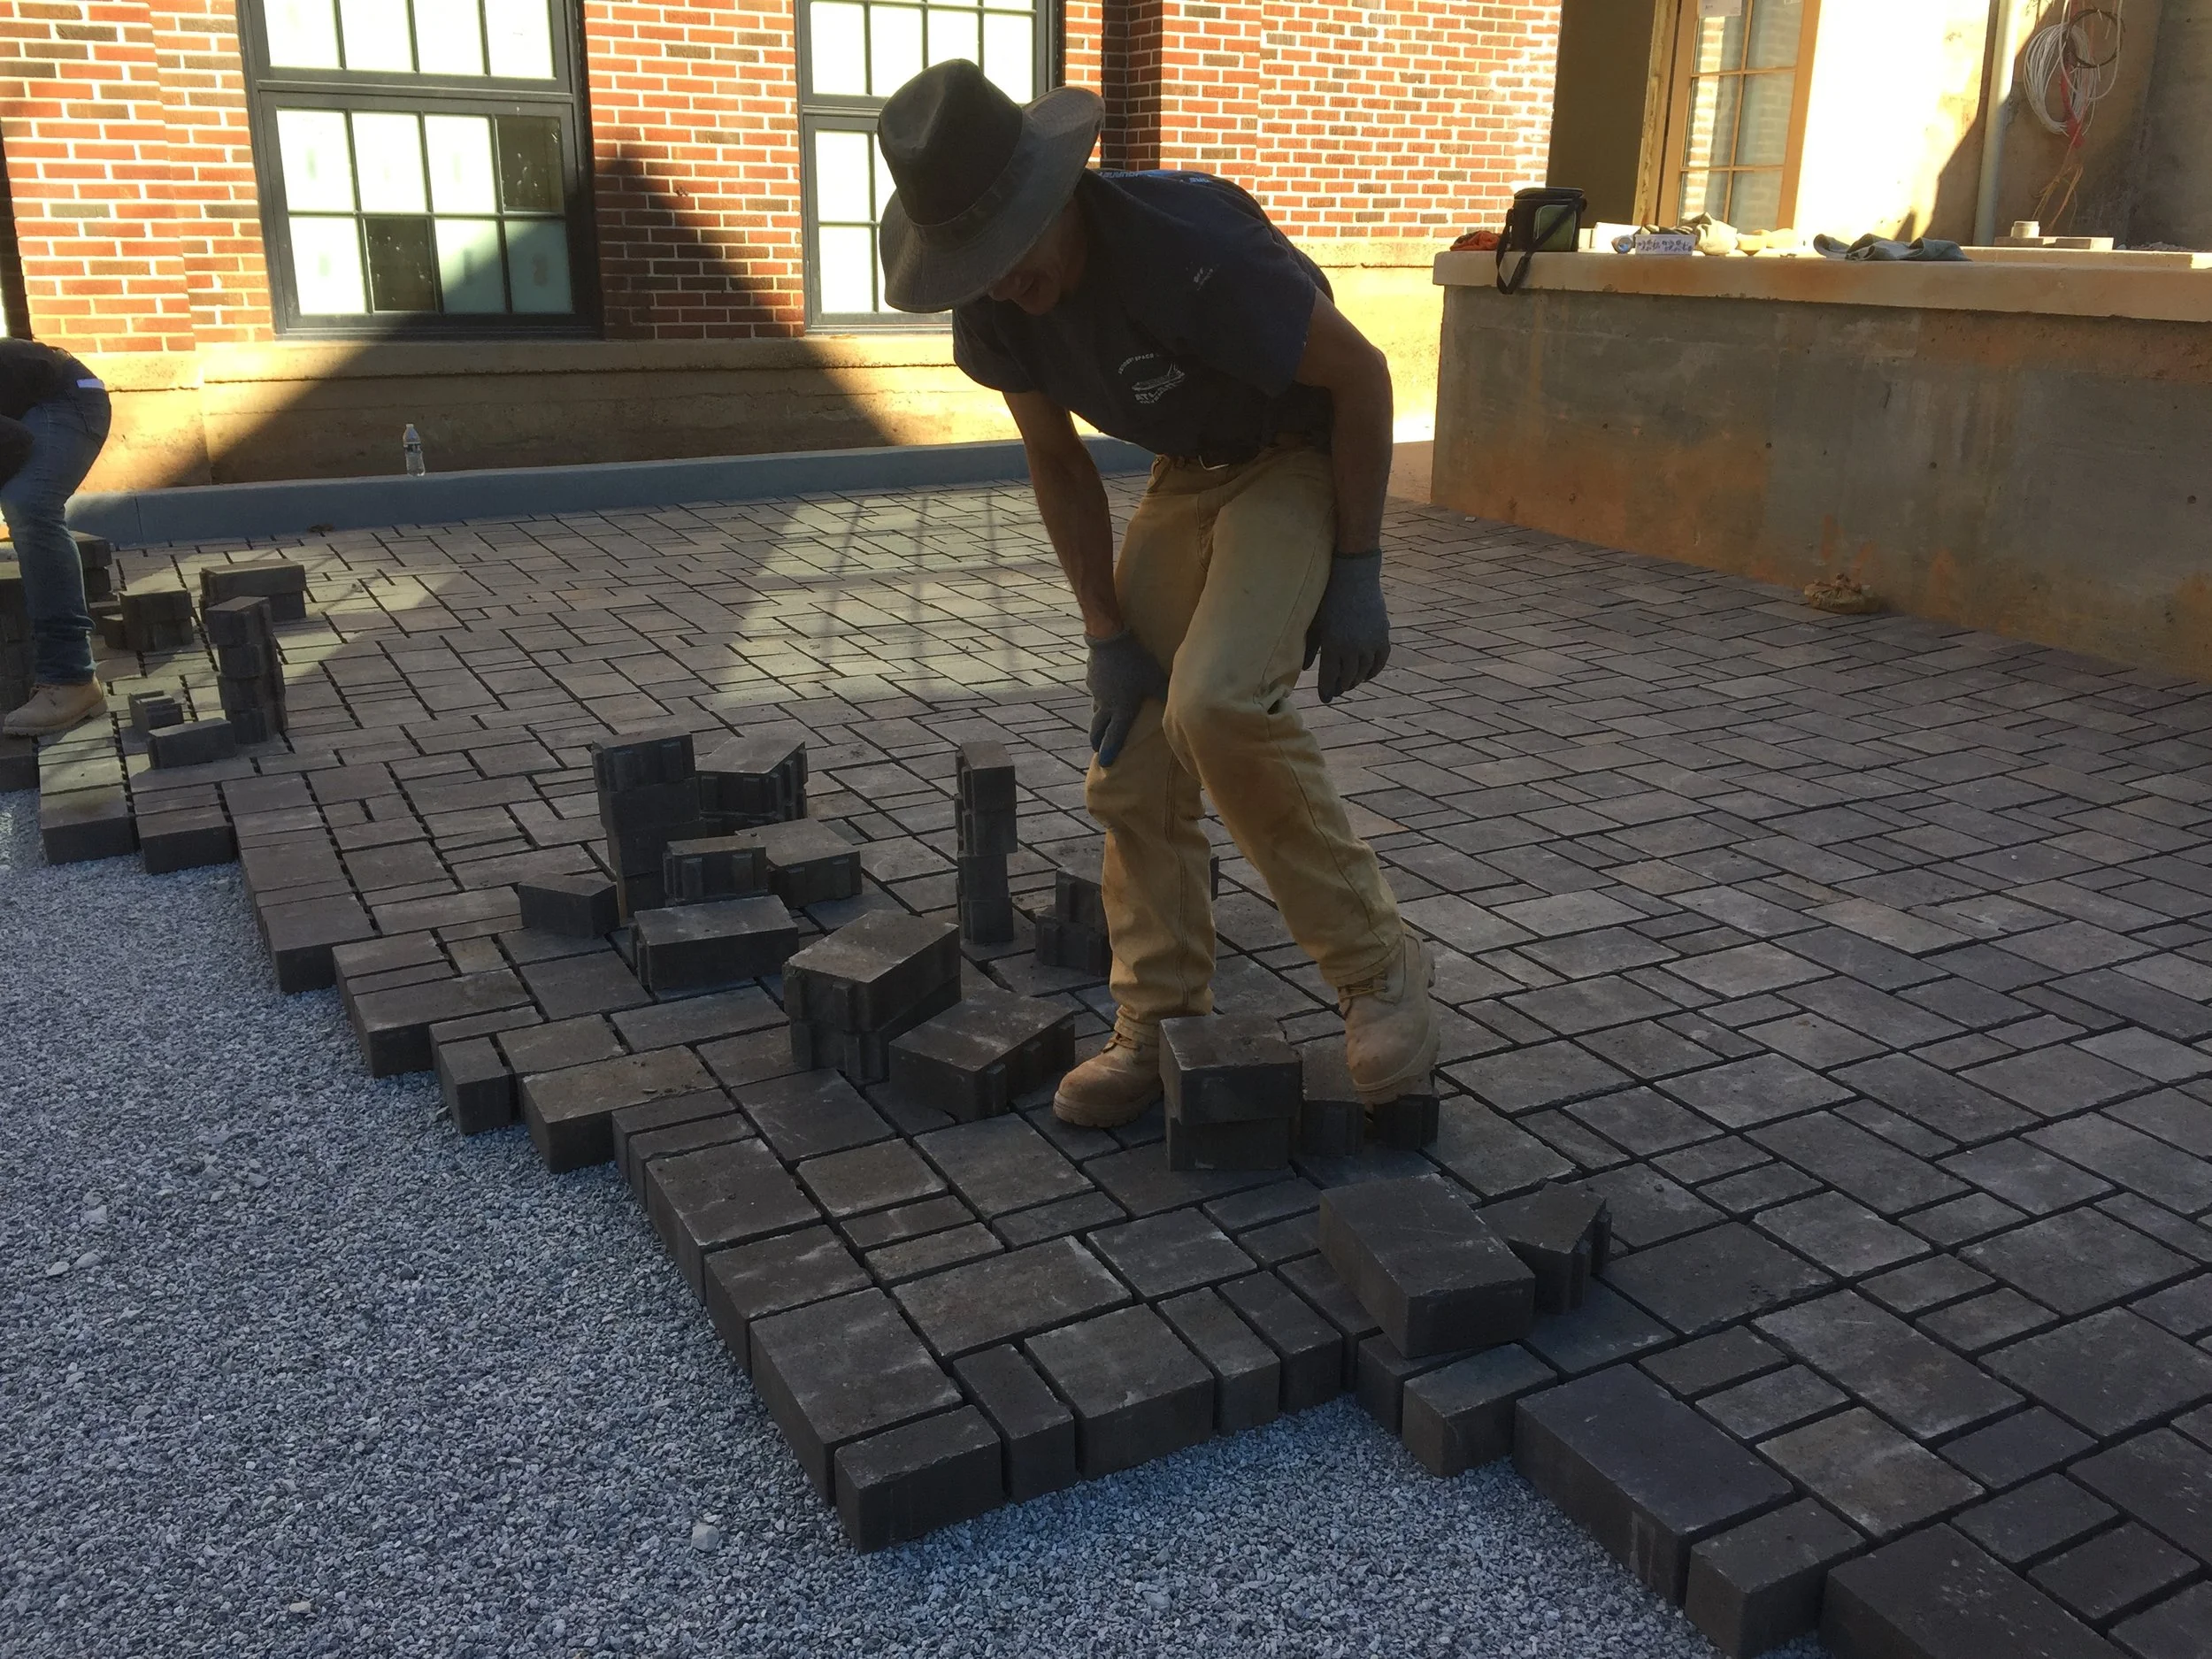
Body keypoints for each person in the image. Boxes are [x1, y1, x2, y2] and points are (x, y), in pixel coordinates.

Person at [875, 62, 1438, 1130]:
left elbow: (1361, 377)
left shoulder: (1193, 248)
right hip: (1189, 472)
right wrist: (1105, 633)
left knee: (1217, 704)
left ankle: (1379, 973)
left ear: (1056, 197)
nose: (999, 283)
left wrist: (1359, 569)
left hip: (1296, 452)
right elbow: (1058, 463)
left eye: (1007, 252)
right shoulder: (995, 313)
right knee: (1132, 749)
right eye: (972, 265)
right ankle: (1161, 1021)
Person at [0, 335, 111, 737]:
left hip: (70, 397)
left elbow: (13, 442)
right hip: (25, 404)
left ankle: (71, 678)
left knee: (29, 506)